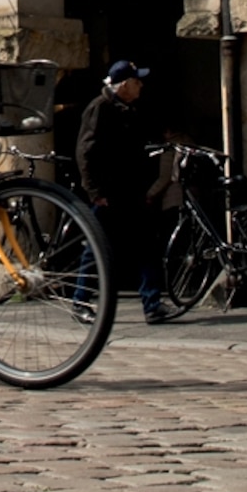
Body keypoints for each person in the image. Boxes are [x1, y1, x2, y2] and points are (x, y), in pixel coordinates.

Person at [74, 60, 164, 319]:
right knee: (97, 247)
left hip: (131, 190)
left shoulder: (129, 108)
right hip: (109, 193)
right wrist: (94, 192)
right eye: (136, 81)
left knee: (146, 245)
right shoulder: (100, 108)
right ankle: (80, 301)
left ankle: (152, 304)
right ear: (124, 85)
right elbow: (86, 152)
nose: (141, 85)